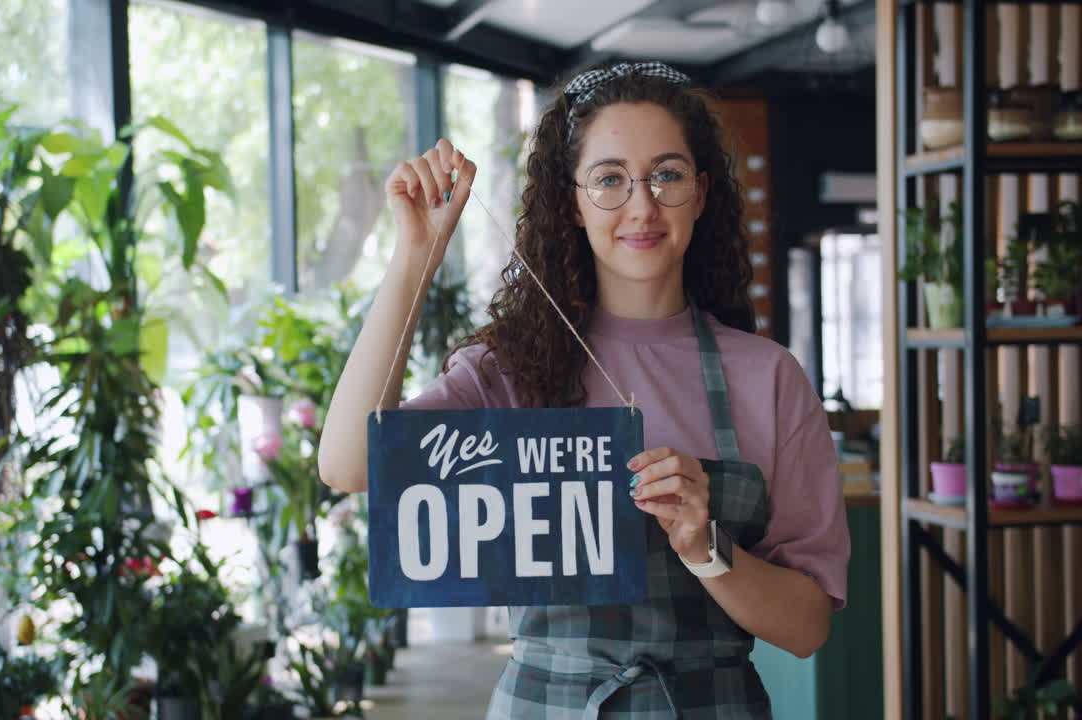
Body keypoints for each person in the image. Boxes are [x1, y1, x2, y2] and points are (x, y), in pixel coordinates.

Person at [318, 61, 850, 719]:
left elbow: (807, 628)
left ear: (703, 192)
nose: (642, 206)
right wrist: (415, 255)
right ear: (571, 200)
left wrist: (705, 548)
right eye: (609, 180)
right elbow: (348, 465)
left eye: (667, 175)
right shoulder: (511, 366)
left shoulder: (769, 379)